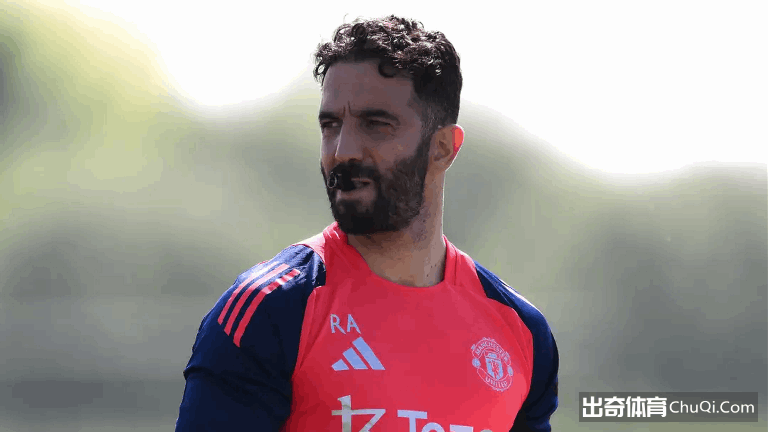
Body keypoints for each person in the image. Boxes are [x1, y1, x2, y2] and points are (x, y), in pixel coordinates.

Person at [175, 15, 559, 432]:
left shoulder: (521, 332)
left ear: (443, 148)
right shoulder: (270, 309)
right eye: (330, 125)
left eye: (375, 125)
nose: (343, 151)